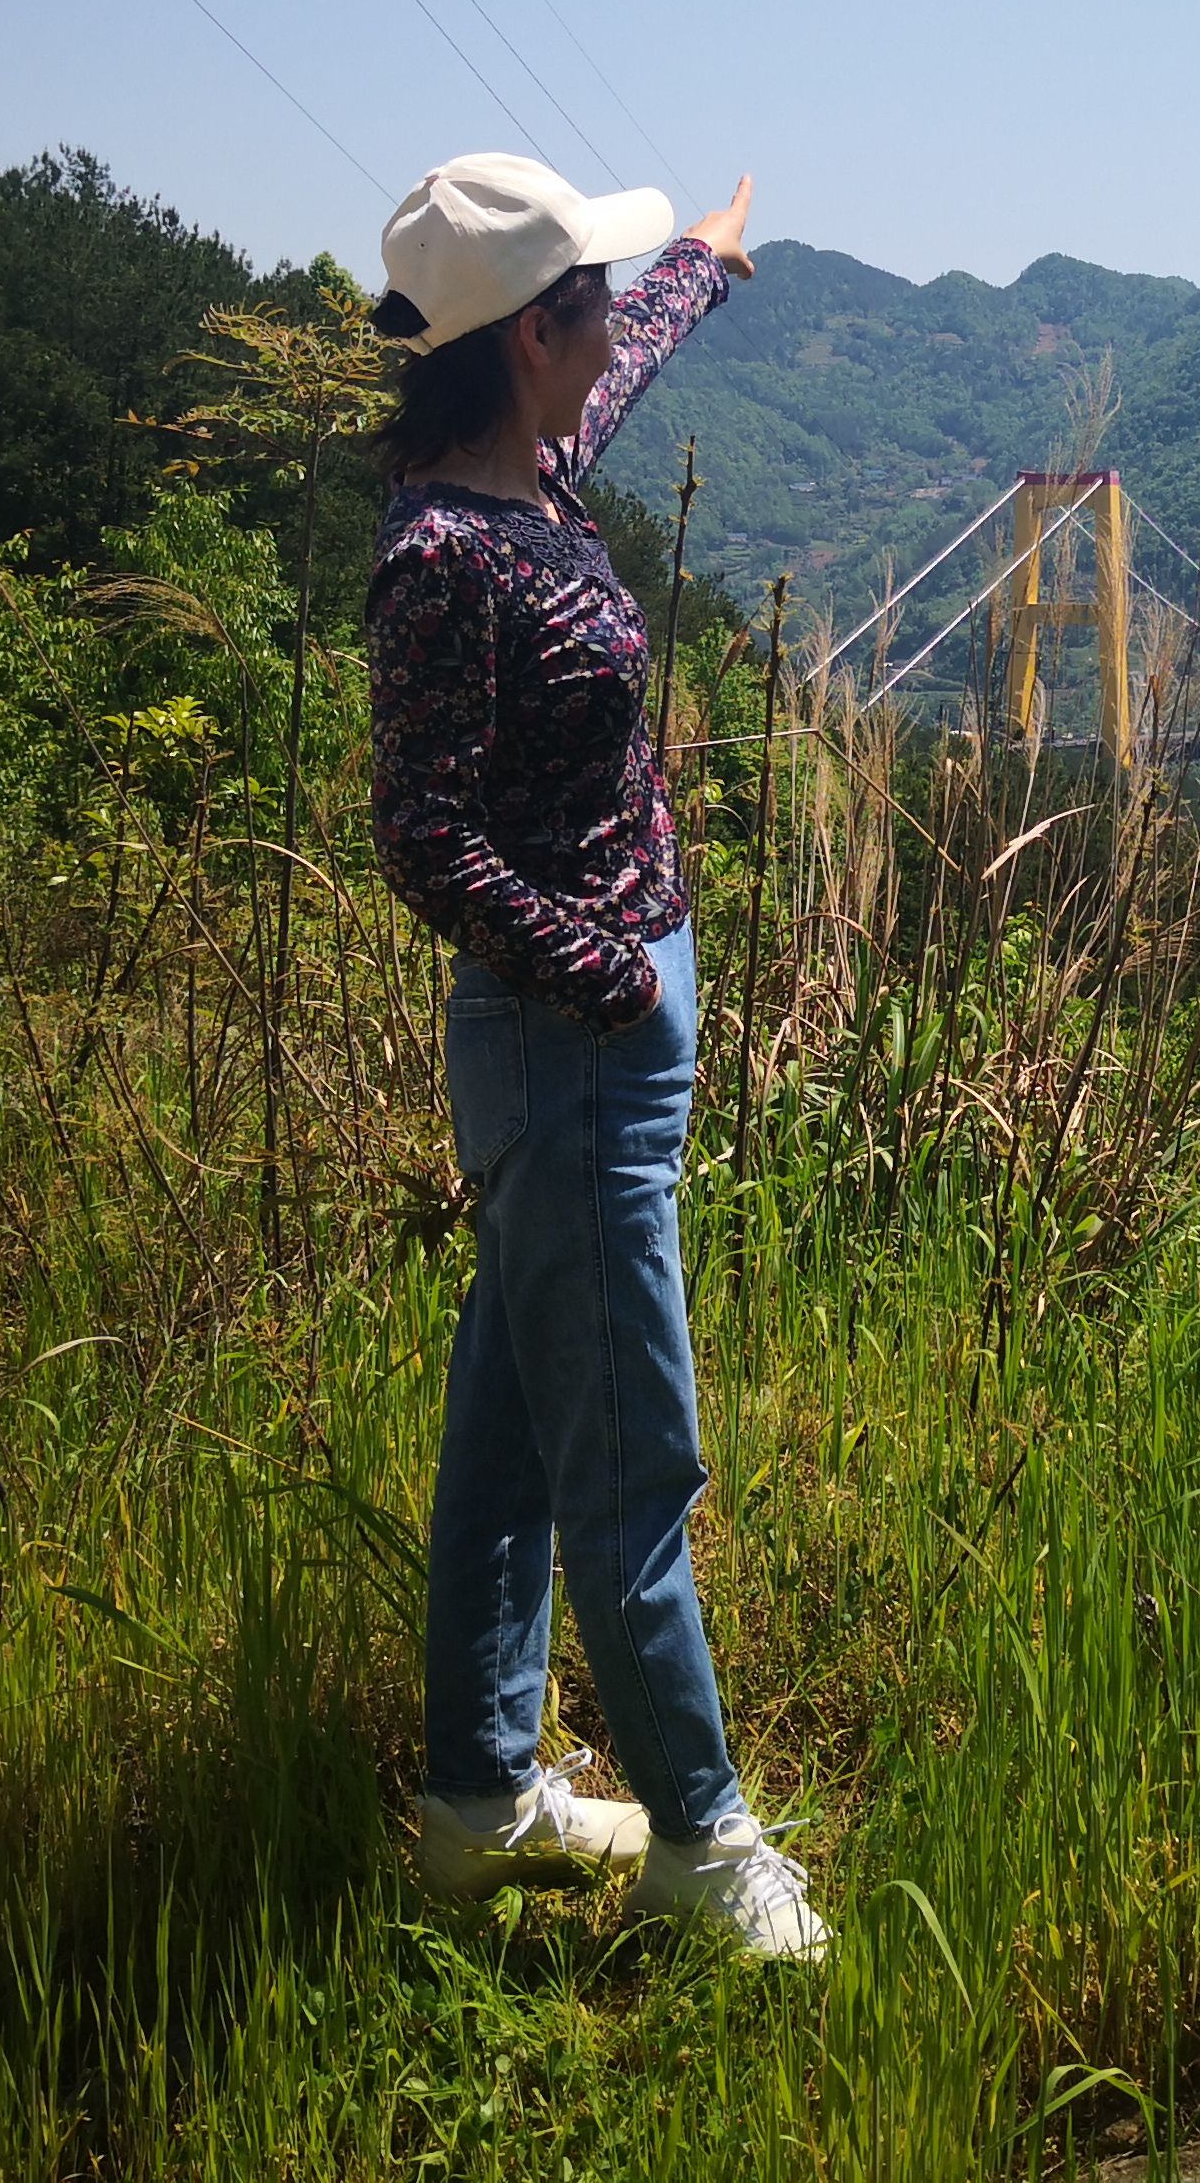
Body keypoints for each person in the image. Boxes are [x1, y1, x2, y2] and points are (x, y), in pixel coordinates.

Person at [362, 149, 825, 1963]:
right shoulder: (440, 561)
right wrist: (604, 978)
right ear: (527, 334)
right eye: (597, 302)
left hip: (600, 1046)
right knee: (632, 1457)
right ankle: (712, 1852)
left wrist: (704, 259)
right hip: (570, 1052)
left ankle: (480, 1798)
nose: (610, 328)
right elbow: (425, 838)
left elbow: (634, 360)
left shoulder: (531, 461)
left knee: (509, 1433)